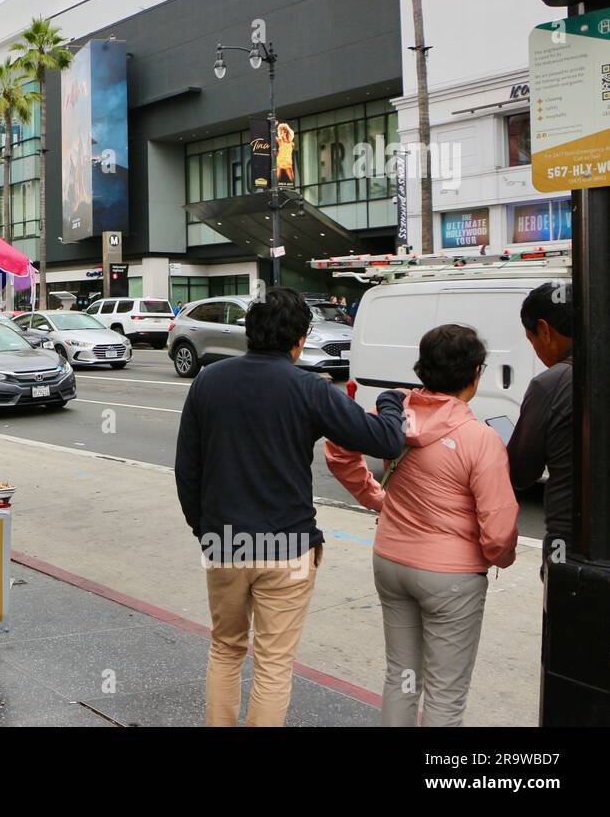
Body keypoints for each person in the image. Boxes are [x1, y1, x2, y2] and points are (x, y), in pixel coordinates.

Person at [175, 286, 406, 727]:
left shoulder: (209, 380)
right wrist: (392, 402)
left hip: (225, 542)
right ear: (300, 340)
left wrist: (204, 530)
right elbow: (385, 440)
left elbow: (187, 469)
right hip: (288, 545)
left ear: (250, 332)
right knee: (273, 663)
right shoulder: (309, 389)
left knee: (225, 648)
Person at [326, 325, 519, 726]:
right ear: (475, 373)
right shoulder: (479, 438)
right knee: (445, 694)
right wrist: (497, 557)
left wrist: (375, 497)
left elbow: (338, 449)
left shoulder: (392, 415)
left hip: (392, 560)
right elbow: (499, 531)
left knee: (402, 677)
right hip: (451, 577)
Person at [508, 282, 573, 574]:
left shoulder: (552, 383)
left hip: (573, 540)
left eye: (531, 340)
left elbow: (522, 472)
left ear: (544, 330)